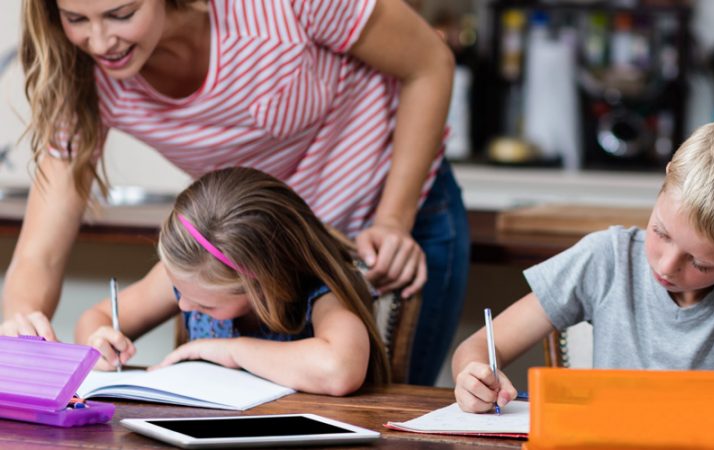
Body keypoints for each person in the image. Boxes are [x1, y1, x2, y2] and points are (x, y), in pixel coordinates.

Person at [2, 0, 468, 385]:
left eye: (122, 13)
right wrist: (22, 326)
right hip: (242, 246)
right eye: (75, 19)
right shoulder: (86, 73)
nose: (100, 43)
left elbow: (430, 64)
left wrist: (392, 221)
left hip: (386, 218)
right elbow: (39, 254)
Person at [452, 118, 714, 413]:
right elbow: (479, 347)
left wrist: (696, 397)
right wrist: (473, 376)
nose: (665, 265)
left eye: (699, 262)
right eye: (661, 232)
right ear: (664, 184)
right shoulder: (606, 258)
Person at [76, 167, 390, 394]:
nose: (183, 304)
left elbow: (339, 370)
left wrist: (231, 350)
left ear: (264, 286)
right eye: (180, 292)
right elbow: (95, 317)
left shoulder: (319, 295)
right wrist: (99, 341)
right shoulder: (189, 276)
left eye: (203, 304)